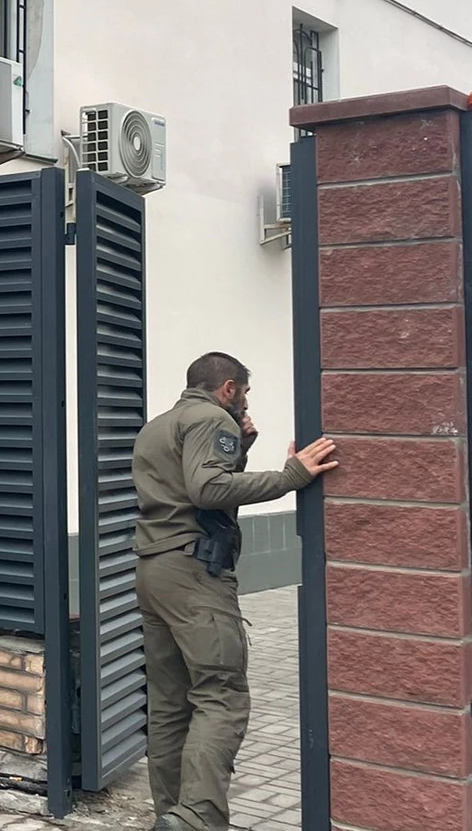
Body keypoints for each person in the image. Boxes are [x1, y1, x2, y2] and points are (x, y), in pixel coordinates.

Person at [134, 353, 337, 831]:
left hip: (153, 569)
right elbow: (207, 490)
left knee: (170, 703)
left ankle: (171, 816)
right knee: (221, 694)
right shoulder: (210, 418)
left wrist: (240, 450)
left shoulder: (157, 426)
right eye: (243, 392)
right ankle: (199, 817)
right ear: (228, 388)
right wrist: (293, 477)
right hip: (194, 573)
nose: (244, 401)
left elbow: (187, 487)